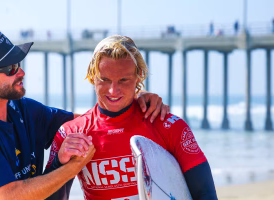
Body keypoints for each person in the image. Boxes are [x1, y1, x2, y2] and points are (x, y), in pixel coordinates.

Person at [0, 29, 169, 200]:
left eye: (19, 63)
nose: (21, 72)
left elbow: (97, 122)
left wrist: (134, 96)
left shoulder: (23, 110)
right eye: (10, 69)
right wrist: (71, 167)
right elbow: (11, 196)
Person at [46, 35, 218, 199]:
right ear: (92, 77)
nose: (113, 90)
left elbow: (206, 194)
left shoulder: (169, 125)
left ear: (139, 76)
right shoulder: (71, 134)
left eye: (123, 80)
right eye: (104, 79)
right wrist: (59, 165)